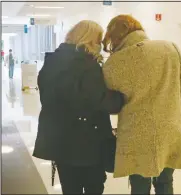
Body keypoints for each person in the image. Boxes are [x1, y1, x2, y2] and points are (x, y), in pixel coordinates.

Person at [102, 15, 181, 194]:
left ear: (115, 36)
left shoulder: (113, 64)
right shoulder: (170, 48)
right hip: (170, 130)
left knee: (139, 186)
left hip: (136, 136)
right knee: (165, 182)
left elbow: (109, 102)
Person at [33, 20, 124, 194]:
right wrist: (121, 98)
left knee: (70, 187)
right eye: (98, 41)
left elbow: (46, 95)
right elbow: (99, 99)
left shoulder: (51, 62)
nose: (100, 46)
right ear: (89, 40)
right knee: (93, 186)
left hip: (58, 138)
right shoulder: (87, 65)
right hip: (86, 142)